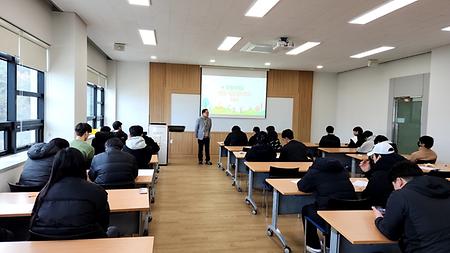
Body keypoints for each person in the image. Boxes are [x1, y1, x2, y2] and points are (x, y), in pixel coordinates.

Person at [29, 148, 111, 240]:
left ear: (55, 166)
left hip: (46, 244)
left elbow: (33, 222)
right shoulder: (96, 191)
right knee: (113, 231)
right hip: (86, 244)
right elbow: (104, 223)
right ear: (82, 166)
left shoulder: (44, 192)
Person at [373, 161, 450, 253]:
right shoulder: (445, 187)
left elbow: (390, 233)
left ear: (399, 181)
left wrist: (378, 218)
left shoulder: (400, 195)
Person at [298, 158, 357, 252]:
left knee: (307, 209)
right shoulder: (343, 171)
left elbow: (302, 186)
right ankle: (330, 243)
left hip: (328, 217)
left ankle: (313, 245)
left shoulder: (315, 172)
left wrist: (310, 172)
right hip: (348, 215)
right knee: (328, 205)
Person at [359, 141, 406, 207]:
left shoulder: (379, 175)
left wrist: (370, 173)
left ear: (379, 157)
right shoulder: (406, 166)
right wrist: (369, 172)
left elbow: (367, 195)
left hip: (385, 209)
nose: (373, 159)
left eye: (373, 156)